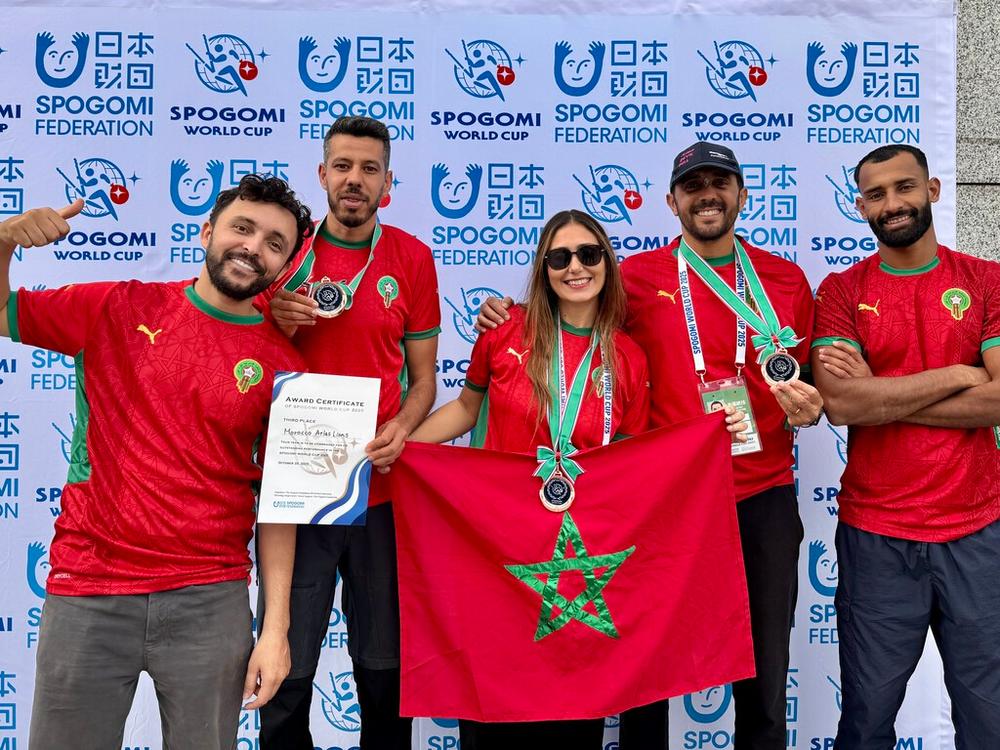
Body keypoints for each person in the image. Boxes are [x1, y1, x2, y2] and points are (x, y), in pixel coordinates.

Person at [479, 142, 823, 749]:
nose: (707, 195)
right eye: (693, 186)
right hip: (664, 502)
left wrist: (814, 408)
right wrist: (506, 314)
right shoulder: (636, 279)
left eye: (720, 183)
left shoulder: (787, 281)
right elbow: (571, 318)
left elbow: (809, 386)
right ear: (671, 201)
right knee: (647, 669)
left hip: (760, 494)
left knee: (764, 667)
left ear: (743, 194)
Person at [407, 209, 747, 750]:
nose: (575, 268)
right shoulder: (506, 332)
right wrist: (403, 449)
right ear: (544, 269)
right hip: (497, 552)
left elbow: (630, 464)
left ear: (607, 264)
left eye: (588, 254)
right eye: (560, 257)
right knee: (493, 704)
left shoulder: (628, 358)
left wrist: (709, 436)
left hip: (576, 558)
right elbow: (468, 409)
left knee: (572, 715)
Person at [0, 174, 313, 748]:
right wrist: (3, 243)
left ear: (285, 264)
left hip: (210, 601)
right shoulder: (118, 305)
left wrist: (275, 630)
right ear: (207, 232)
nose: (253, 247)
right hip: (89, 588)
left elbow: (280, 505)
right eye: (242, 228)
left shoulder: (286, 366)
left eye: (274, 243)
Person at [257, 115, 440, 750]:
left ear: (388, 183)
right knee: (286, 664)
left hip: (380, 487)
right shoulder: (285, 252)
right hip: (296, 493)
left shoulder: (411, 258)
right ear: (322, 175)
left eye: (368, 169)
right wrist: (275, 323)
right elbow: (241, 360)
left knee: (384, 669)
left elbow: (424, 380)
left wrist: (403, 427)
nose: (354, 180)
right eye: (342, 166)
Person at [811, 144, 1000, 749]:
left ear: (933, 190)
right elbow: (843, 404)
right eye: (876, 194)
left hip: (977, 530)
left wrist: (882, 395)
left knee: (989, 720)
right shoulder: (841, 290)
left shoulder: (986, 280)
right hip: (877, 535)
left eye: (905, 187)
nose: (892, 203)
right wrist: (961, 373)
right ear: (861, 206)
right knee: (865, 721)